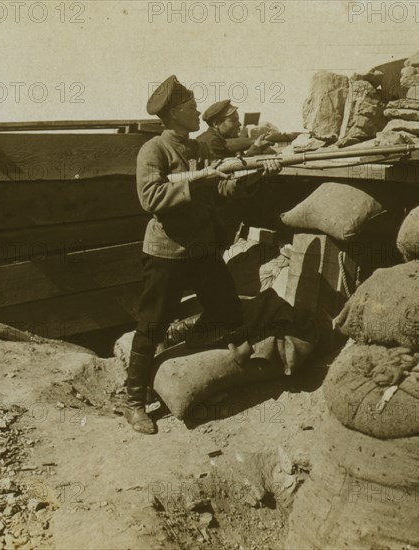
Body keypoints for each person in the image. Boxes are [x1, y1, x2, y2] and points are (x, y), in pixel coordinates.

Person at [126, 76, 281, 434]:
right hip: (166, 251)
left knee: (227, 312)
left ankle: (189, 338)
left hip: (202, 248)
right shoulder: (155, 150)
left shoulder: (199, 149)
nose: (198, 112)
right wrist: (200, 178)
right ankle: (133, 401)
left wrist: (256, 172)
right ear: (176, 113)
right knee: (151, 324)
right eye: (193, 108)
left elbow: (225, 187)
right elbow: (151, 198)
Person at [196, 99, 274, 159]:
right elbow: (230, 176)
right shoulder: (212, 142)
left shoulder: (220, 139)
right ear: (216, 123)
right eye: (233, 120)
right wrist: (256, 148)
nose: (239, 124)